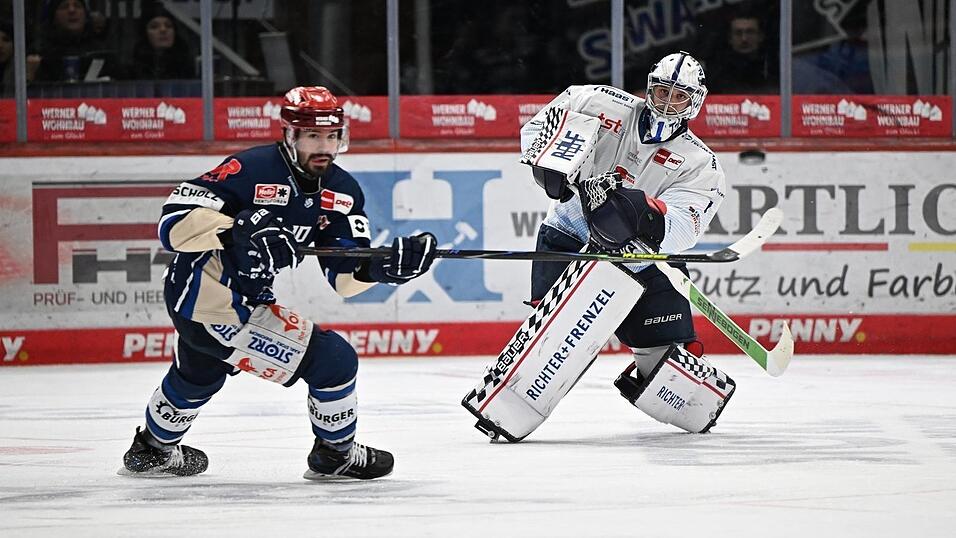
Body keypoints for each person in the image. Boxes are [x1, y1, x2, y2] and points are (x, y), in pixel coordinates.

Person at [120, 86, 438, 480]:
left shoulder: (342, 191)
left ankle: (152, 451)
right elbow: (172, 227)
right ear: (290, 135)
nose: (324, 146)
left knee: (199, 375)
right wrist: (240, 227)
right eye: (312, 136)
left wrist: (385, 269)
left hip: (226, 301)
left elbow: (344, 275)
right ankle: (334, 454)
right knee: (334, 361)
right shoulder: (250, 169)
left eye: (332, 135)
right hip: (210, 299)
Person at [519, 51, 735, 433]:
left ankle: (697, 399)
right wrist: (546, 162)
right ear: (649, 87)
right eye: (662, 90)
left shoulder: (701, 164)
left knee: (665, 369)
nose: (667, 102)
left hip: (639, 260)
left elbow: (683, 228)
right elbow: (540, 129)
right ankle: (509, 407)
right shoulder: (594, 101)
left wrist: (639, 212)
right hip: (570, 236)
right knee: (549, 348)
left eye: (679, 96)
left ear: (695, 102)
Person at [31, 0, 115, 82]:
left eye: (77, 6)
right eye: (64, 7)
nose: (72, 10)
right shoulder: (41, 54)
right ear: (53, 16)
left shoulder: (101, 52)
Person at [703, 11, 777, 94]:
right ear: (730, 38)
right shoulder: (717, 72)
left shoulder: (773, 67)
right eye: (738, 33)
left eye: (750, 32)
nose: (744, 39)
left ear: (760, 36)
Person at [126, 2, 195, 80]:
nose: (163, 30)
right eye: (154, 27)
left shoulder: (185, 65)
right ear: (145, 34)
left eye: (168, 25)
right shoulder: (133, 68)